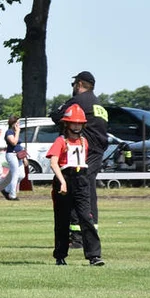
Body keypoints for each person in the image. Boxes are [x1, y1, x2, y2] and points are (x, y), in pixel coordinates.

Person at [50, 71, 108, 248]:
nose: (73, 88)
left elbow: (57, 116)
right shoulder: (99, 105)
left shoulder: (78, 102)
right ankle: (90, 233)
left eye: (73, 84)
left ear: (80, 84)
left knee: (77, 189)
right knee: (89, 191)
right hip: (96, 152)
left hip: (82, 151)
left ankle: (77, 237)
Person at [47, 104, 104, 266]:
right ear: (67, 124)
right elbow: (53, 162)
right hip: (65, 178)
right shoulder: (61, 141)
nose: (77, 126)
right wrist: (63, 182)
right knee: (62, 219)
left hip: (81, 180)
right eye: (74, 123)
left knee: (86, 217)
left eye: (79, 123)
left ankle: (94, 256)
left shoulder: (84, 142)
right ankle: (60, 255)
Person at [3, 115, 25, 201]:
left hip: (19, 155)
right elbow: (14, 143)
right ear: (13, 123)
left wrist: (24, 158)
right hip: (12, 154)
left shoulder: (15, 132)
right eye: (17, 123)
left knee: (22, 175)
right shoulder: (9, 132)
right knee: (15, 174)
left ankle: (6, 189)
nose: (19, 125)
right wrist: (18, 132)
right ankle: (12, 195)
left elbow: (19, 145)